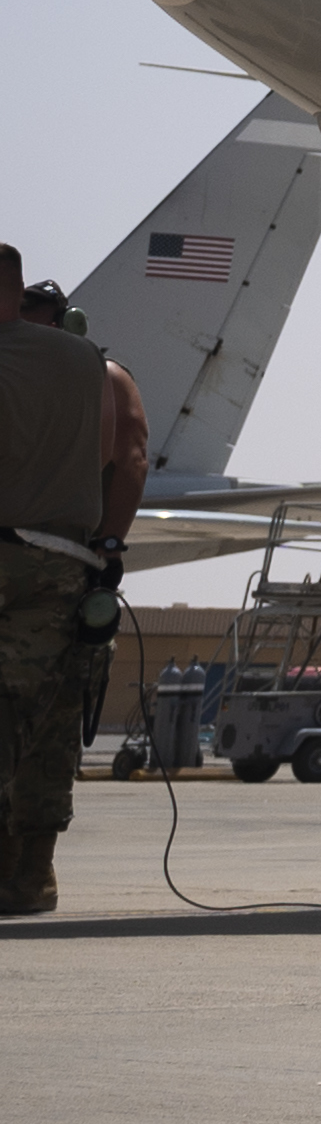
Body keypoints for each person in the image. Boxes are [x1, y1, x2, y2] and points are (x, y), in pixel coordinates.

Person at [2, 248, 152, 919]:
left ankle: (27, 869)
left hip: (36, 554)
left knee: (20, 717)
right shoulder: (88, 366)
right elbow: (126, 456)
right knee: (50, 722)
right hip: (72, 562)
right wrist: (106, 546)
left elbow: (128, 457)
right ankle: (30, 873)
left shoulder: (82, 369)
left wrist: (106, 542)